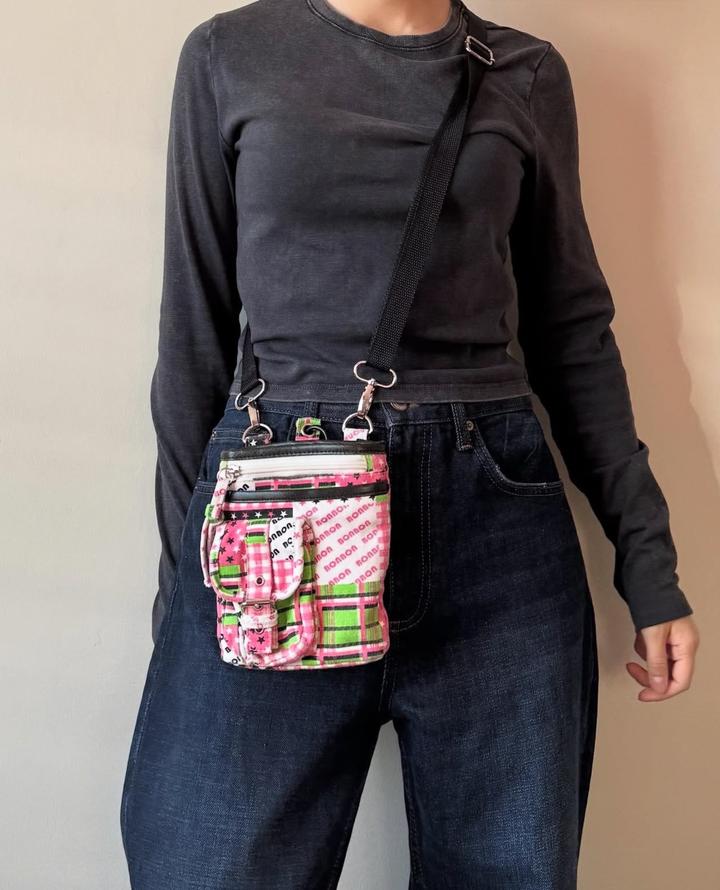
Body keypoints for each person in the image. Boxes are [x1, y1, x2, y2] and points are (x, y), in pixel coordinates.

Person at [120, 1, 701, 887]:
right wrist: (183, 592)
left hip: (496, 524)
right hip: (274, 518)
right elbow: (193, 334)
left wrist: (648, 564)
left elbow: (571, 330)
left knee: (510, 870)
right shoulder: (231, 54)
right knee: (209, 862)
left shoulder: (523, 71)